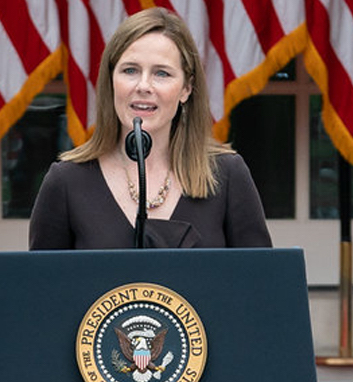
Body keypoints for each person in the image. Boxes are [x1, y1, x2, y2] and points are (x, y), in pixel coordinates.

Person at [29, 7, 271, 249]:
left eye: (162, 73)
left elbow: (262, 282)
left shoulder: (227, 176)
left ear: (186, 89)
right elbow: (42, 284)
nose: (143, 86)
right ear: (111, 81)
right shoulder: (66, 182)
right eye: (130, 70)